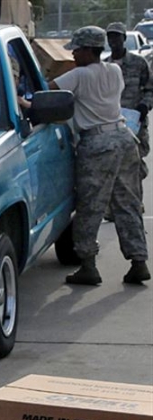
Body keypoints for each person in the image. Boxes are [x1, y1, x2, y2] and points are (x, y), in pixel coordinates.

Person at [48, 26, 150, 285]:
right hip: (124, 138)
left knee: (90, 205)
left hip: (97, 143)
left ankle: (88, 265)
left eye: (76, 50)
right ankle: (138, 260)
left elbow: (46, 93)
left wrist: (22, 100)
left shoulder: (79, 75)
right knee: (127, 202)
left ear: (87, 50)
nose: (73, 55)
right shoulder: (115, 70)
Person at [104, 21, 152, 215]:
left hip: (135, 123)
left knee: (135, 165)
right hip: (111, 123)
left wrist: (144, 106)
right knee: (112, 167)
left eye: (117, 37)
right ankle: (112, 208)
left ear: (124, 39)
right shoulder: (104, 66)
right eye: (111, 37)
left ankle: (135, 204)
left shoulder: (139, 64)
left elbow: (150, 89)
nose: (114, 41)